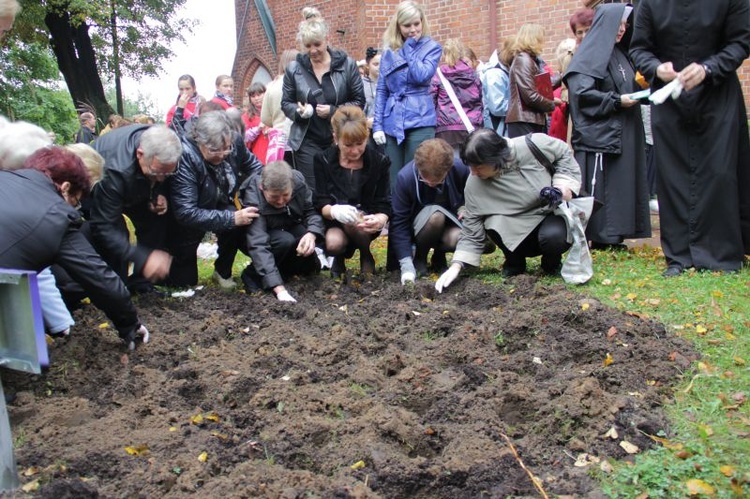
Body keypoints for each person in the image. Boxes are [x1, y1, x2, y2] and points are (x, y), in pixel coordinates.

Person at [630, 0, 750, 276]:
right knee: (673, 176)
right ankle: (679, 256)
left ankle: (722, 253)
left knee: (720, 174)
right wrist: (656, 68)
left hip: (718, 96)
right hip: (670, 99)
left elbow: (740, 42)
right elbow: (639, 48)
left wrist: (709, 68)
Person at [0, 147, 149, 350]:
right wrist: (130, 325)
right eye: (76, 201)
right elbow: (99, 277)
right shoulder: (56, 217)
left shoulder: (7, 179)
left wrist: (62, 324)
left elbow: (40, 274)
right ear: (65, 187)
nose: (74, 208)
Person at [435, 128, 581, 292]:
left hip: (546, 215)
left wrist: (563, 185)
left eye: (479, 167)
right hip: (513, 226)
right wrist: (456, 266)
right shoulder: (474, 185)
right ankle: (514, 261)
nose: (473, 173)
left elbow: (563, 154)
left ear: (496, 159)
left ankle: (551, 261)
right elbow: (471, 228)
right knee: (492, 223)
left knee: (553, 236)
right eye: (470, 167)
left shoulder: (533, 145)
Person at [564, 3, 651, 250]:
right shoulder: (589, 55)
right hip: (602, 135)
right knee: (607, 187)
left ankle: (618, 234)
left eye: (625, 24)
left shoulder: (619, 53)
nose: (622, 29)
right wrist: (616, 101)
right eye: (618, 24)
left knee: (623, 183)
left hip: (625, 130)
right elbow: (581, 93)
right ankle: (603, 236)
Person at [168, 111, 263, 288]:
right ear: (199, 140)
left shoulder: (234, 141)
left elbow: (253, 165)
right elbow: (186, 212)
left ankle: (222, 271)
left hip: (221, 197)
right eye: (214, 150)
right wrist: (231, 218)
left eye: (226, 148)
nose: (221, 154)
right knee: (183, 282)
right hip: (190, 214)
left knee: (236, 222)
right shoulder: (185, 155)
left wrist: (266, 182)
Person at [90, 124, 182, 294]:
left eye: (167, 173)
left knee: (156, 219)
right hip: (98, 192)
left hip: (139, 183)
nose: (161, 178)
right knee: (118, 234)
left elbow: (163, 174)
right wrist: (143, 257)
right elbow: (104, 226)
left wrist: (158, 192)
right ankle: (117, 287)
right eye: (157, 172)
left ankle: (141, 284)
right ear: (140, 154)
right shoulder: (114, 170)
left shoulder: (165, 149)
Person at [282, 18, 365, 189]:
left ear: (327, 39)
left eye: (317, 44)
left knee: (341, 187)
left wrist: (334, 111)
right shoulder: (294, 69)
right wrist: (299, 112)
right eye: (308, 46)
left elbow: (359, 101)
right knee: (313, 190)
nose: (313, 50)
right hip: (307, 139)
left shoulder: (347, 65)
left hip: (341, 138)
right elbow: (286, 102)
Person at [313, 106, 391, 277]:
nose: (355, 151)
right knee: (333, 244)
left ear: (367, 137)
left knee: (356, 222)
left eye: (360, 143)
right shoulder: (323, 159)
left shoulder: (380, 161)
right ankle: (339, 258)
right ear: (336, 138)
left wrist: (380, 219)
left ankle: (365, 254)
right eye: (348, 145)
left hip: (366, 223)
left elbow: (384, 202)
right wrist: (334, 210)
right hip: (334, 221)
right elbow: (320, 201)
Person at [373, 1, 442, 187]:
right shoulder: (389, 52)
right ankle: (396, 216)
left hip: (420, 118)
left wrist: (409, 48)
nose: (413, 29)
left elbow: (421, 76)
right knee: (393, 178)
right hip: (392, 120)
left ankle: (418, 215)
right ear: (399, 26)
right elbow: (382, 89)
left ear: (422, 22)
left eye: (416, 24)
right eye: (407, 25)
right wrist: (377, 125)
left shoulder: (432, 47)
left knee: (418, 175)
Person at [391, 138, 478, 283]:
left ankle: (439, 255)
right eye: (425, 179)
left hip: (449, 227)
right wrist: (406, 266)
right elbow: (399, 223)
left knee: (465, 238)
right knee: (435, 217)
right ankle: (420, 258)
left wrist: (465, 207)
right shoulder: (405, 178)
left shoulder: (460, 169)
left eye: (438, 180)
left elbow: (474, 197)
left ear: (448, 169)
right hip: (419, 229)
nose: (431, 183)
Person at [239, 161, 324, 302]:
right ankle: (253, 276)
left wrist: (312, 234)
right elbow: (258, 243)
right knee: (284, 241)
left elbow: (311, 211)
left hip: (288, 224)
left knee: (308, 258)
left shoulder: (299, 182)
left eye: (285, 195)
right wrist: (279, 290)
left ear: (292, 186)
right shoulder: (253, 199)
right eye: (274, 197)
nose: (280, 201)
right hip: (261, 237)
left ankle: (284, 272)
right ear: (262, 188)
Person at [430, 38, 484, 150]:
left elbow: (431, 100)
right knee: (470, 165)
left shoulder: (439, 73)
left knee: (449, 165)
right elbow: (479, 100)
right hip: (471, 127)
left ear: (445, 55)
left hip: (446, 129)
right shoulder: (473, 74)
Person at [505, 24, 557, 138]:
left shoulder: (529, 60)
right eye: (541, 39)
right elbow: (530, 96)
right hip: (525, 121)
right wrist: (552, 105)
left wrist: (563, 75)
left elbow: (542, 84)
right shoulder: (524, 60)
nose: (543, 43)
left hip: (529, 119)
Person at [261, 49, 299, 163]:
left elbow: (265, 118)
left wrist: (277, 121)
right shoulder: (300, 82)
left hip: (279, 141)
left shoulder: (272, 86)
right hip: (298, 139)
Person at [480, 38, 512, 136]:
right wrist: (520, 107)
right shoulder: (495, 74)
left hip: (503, 128)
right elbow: (497, 107)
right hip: (498, 131)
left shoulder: (503, 71)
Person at [548, 38, 576, 143]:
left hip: (564, 134)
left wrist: (560, 103)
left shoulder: (572, 79)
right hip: (556, 135)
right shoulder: (558, 81)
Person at [242, 81, 269, 163]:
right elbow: (243, 138)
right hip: (258, 156)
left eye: (259, 95)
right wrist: (258, 129)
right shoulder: (246, 116)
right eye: (253, 96)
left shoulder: (273, 110)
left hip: (275, 153)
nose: (256, 98)